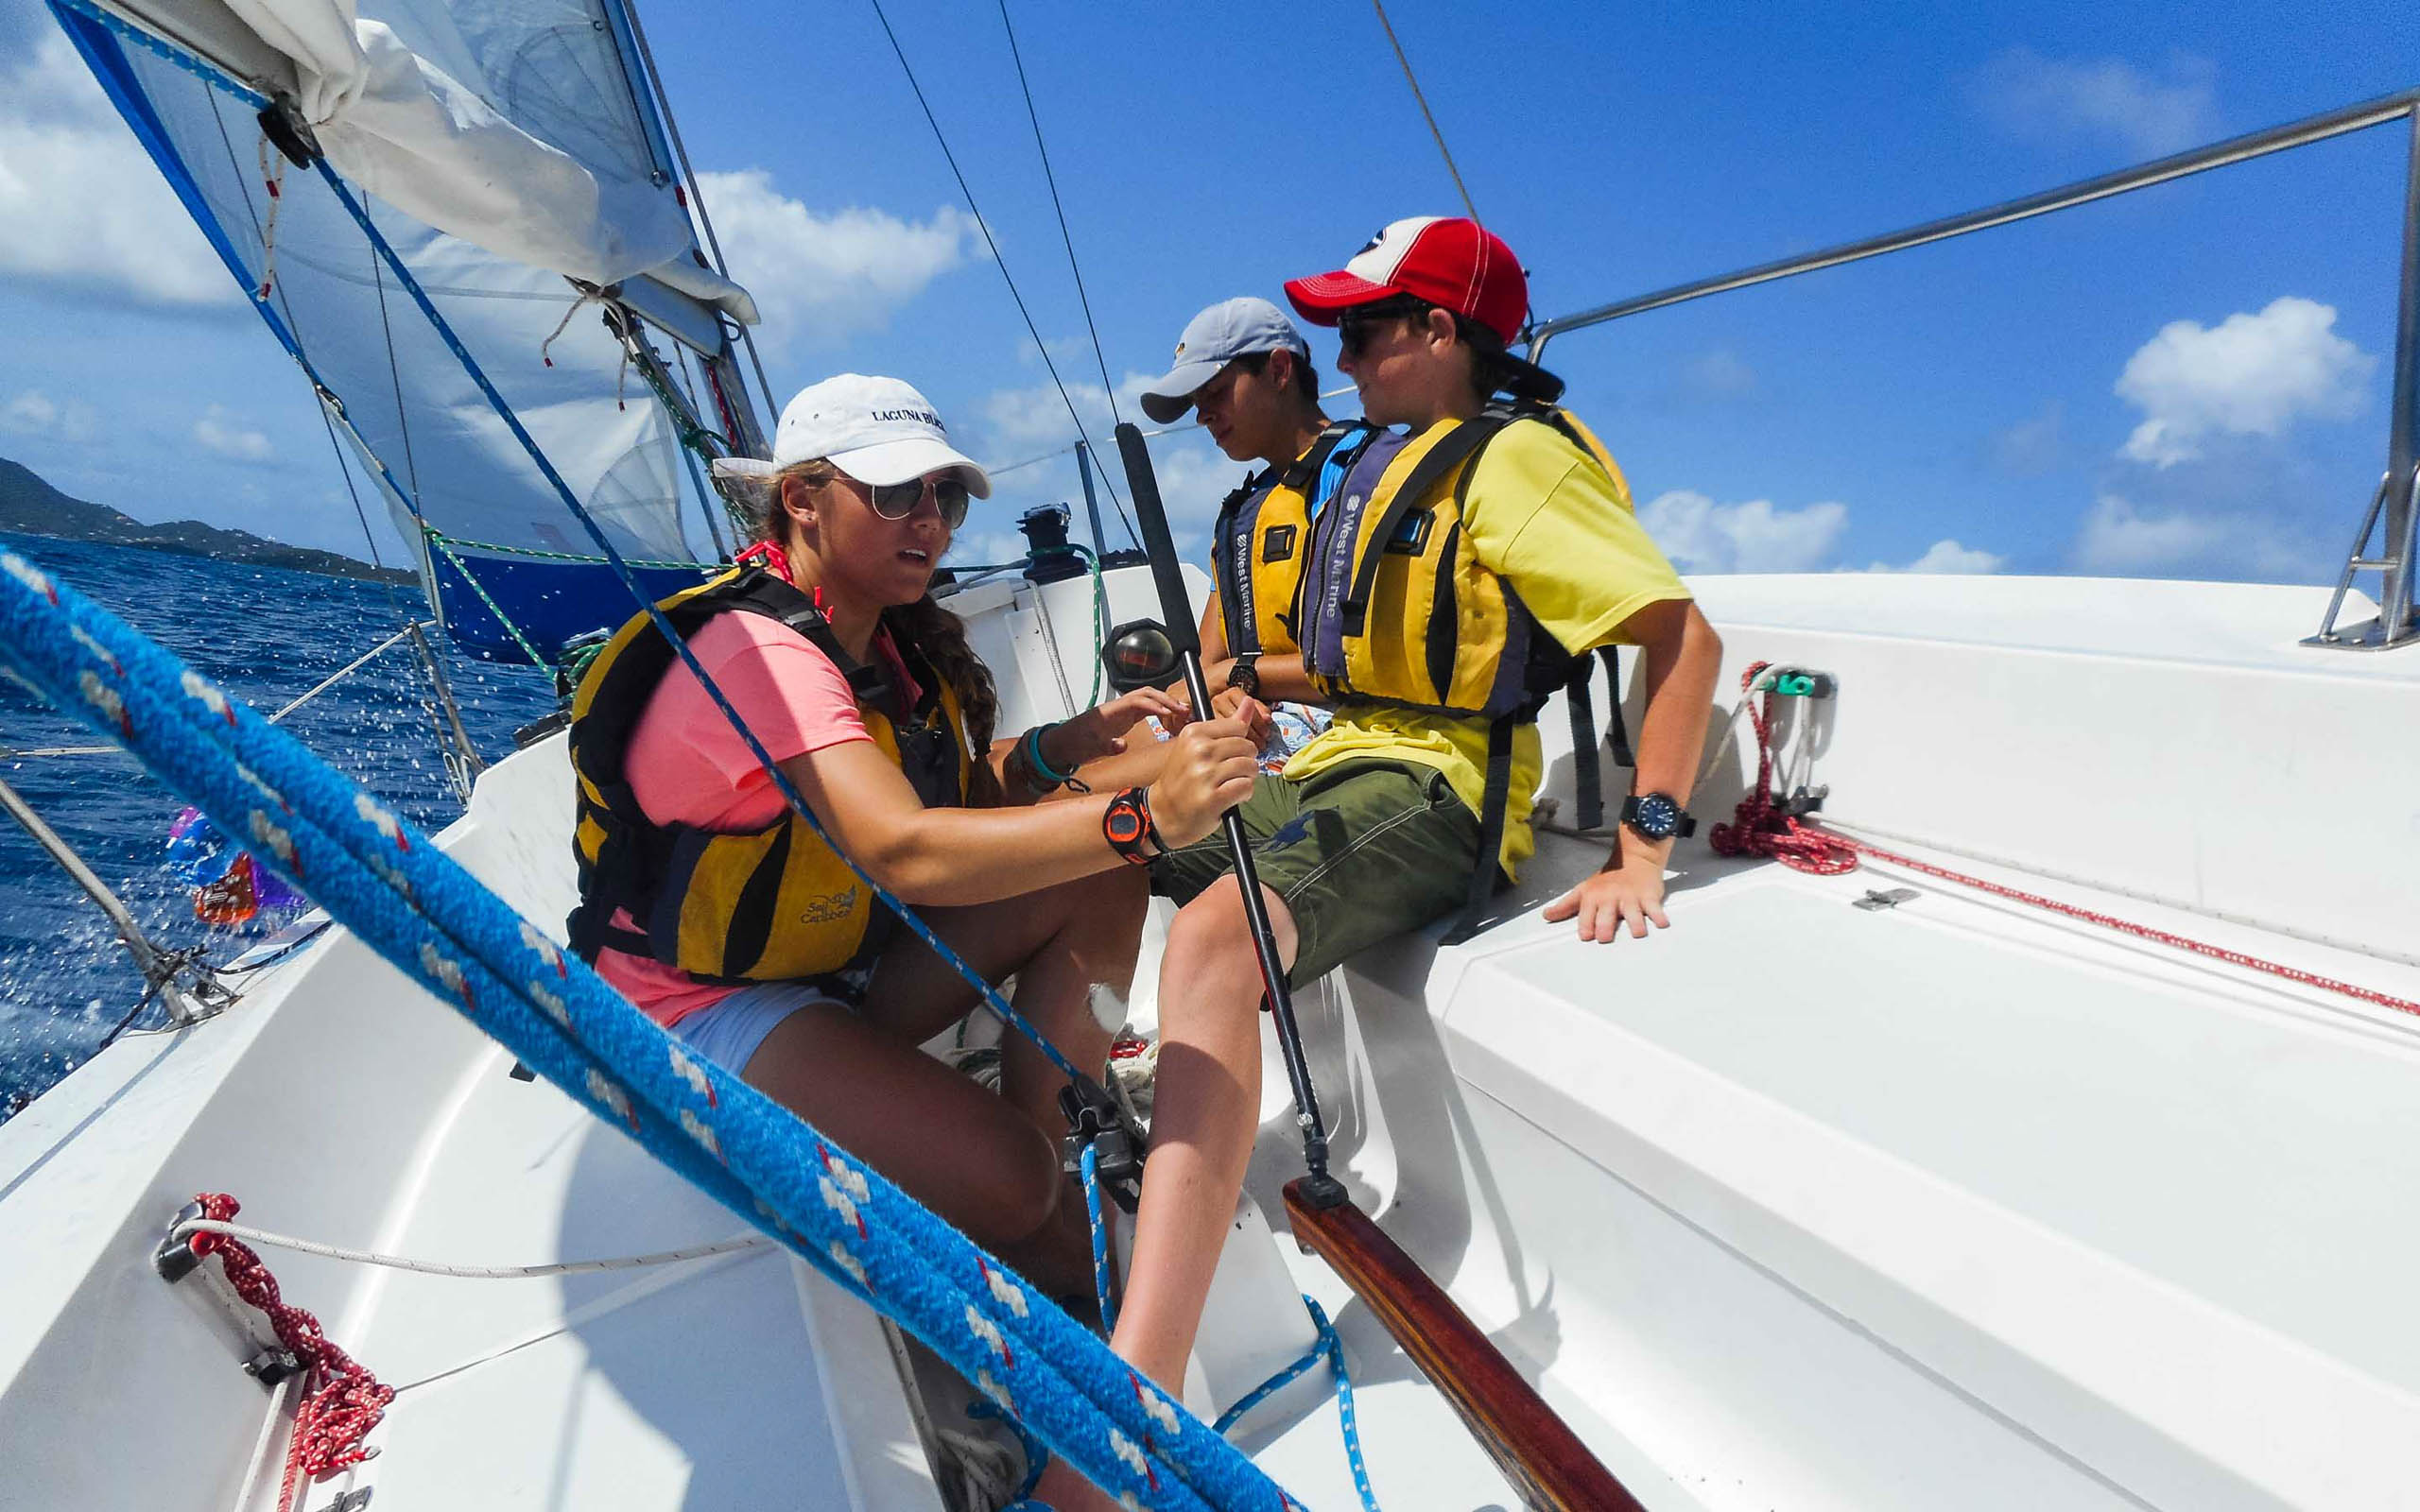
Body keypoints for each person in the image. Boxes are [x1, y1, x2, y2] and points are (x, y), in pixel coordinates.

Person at [1104, 219, 1726, 1411]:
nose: (1342, 362)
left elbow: (1679, 635)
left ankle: (1141, 1379)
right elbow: (1356, 666)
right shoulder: (1402, 463)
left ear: (1441, 333)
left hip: (1444, 790)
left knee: (1213, 940)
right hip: (1347, 758)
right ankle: (1067, 1136)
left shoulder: (1510, 462)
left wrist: (1643, 845)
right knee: (1105, 825)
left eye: (1364, 331)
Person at [563, 373, 1261, 1309]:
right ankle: (1055, 1254)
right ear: (803, 500)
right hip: (700, 1008)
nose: (927, 519)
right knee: (1008, 1180)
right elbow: (904, 850)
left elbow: (962, 797)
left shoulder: (885, 644)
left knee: (1099, 875)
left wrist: (1087, 747)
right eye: (894, 493)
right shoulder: (758, 655)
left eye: (946, 496)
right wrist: (1143, 817)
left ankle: (1063, 1145)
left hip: (837, 958)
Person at [1135, 297, 1377, 762]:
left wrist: (1237, 678)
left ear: (1279, 371)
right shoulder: (1242, 512)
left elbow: (1367, 660)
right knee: (1104, 756)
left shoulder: (1362, 477)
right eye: (1195, 403)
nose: (1202, 414)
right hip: (1251, 711)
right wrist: (1208, 698)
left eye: (1215, 392)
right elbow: (1202, 670)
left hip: (1343, 723)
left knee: (1117, 798)